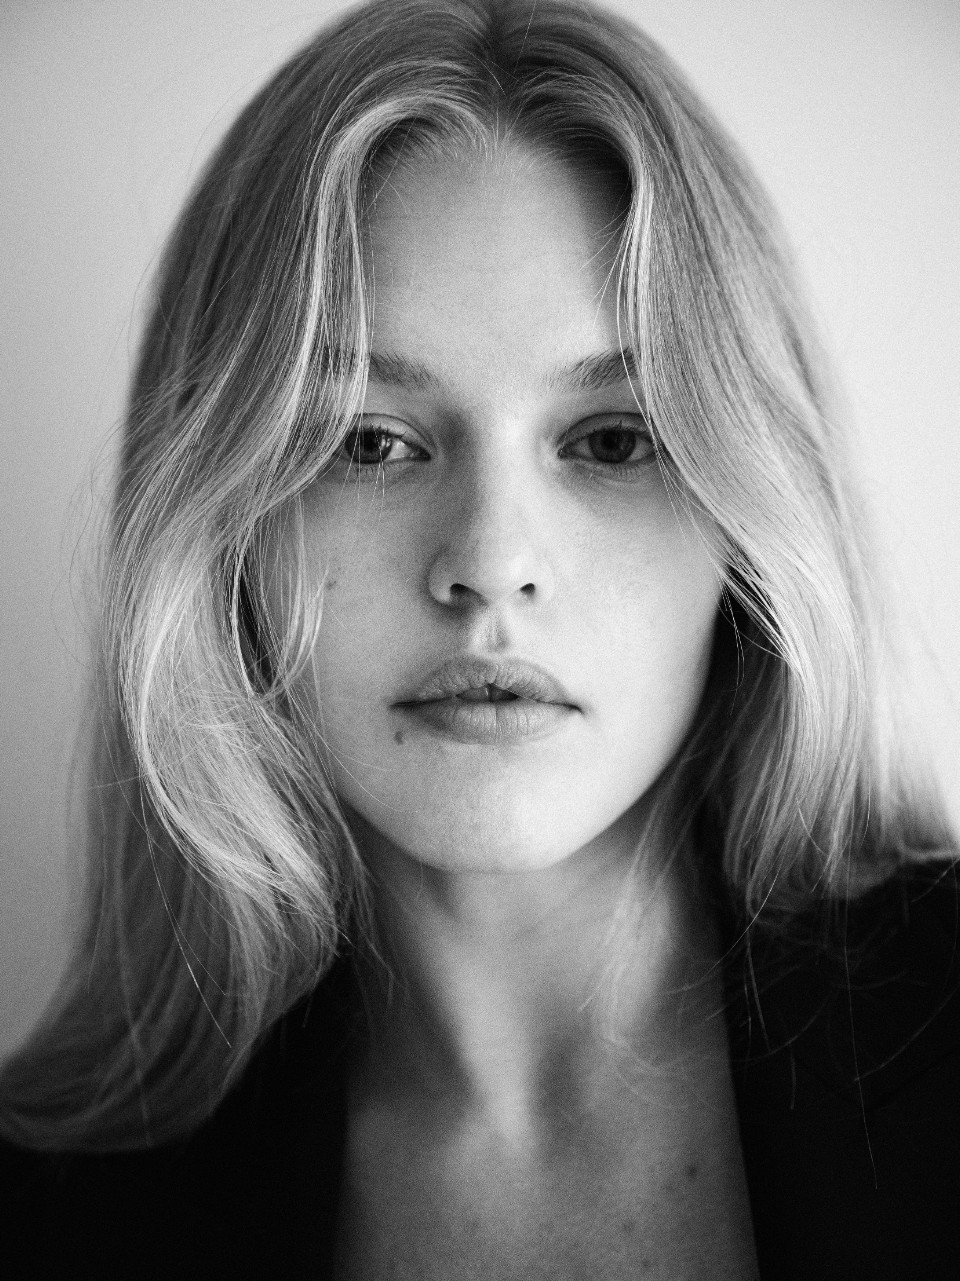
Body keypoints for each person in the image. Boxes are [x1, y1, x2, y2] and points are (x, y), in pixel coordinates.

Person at [1, 0, 958, 1276]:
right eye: (368, 441)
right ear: (219, 526)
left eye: (613, 439)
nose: (492, 564)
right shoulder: (51, 1218)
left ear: (754, 521)